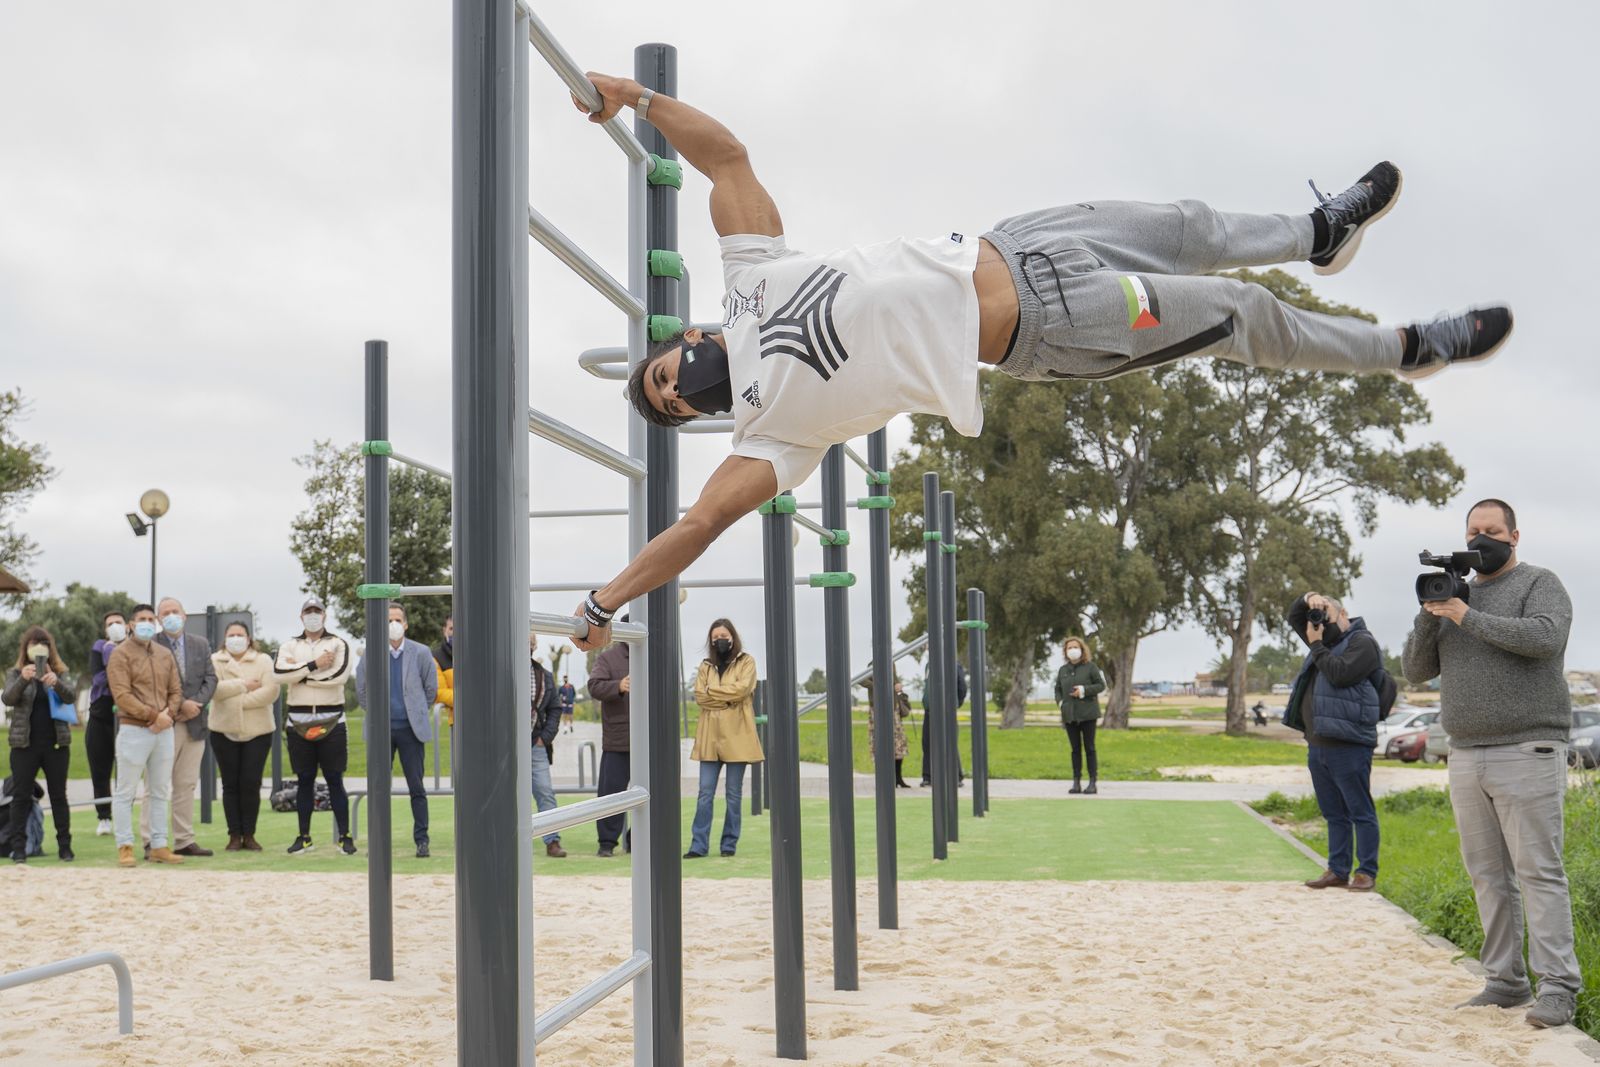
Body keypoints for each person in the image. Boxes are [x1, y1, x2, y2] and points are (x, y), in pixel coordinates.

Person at [567, 77, 1514, 654]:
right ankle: (1405, 350)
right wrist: (604, 598)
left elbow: (727, 158)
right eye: (669, 401)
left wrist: (638, 100)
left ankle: (1317, 231)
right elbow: (699, 525)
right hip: (1055, 325)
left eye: (663, 371)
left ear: (684, 337)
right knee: (1241, 314)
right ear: (695, 415)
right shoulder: (769, 435)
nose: (674, 384)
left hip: (1022, 241)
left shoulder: (747, 277)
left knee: (1193, 226)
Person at [1402, 498, 1581, 1029]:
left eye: (1492, 531)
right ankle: (1505, 981)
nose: (1481, 540)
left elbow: (1545, 638)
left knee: (1538, 872)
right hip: (1465, 752)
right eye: (1473, 531)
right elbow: (1414, 670)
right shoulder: (1454, 594)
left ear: (1514, 536)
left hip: (1528, 747)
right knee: (1487, 875)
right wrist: (1432, 612)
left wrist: (1468, 616)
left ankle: (1558, 988)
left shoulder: (1539, 583)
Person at [1284, 594, 1384, 893]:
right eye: (1318, 617)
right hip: (1318, 741)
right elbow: (1294, 617)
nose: (1321, 623)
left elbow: (1340, 674)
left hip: (1349, 742)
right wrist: (1308, 600)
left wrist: (1316, 645)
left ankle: (1365, 872)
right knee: (1333, 812)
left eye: (1326, 615)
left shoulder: (1362, 642)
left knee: (1359, 810)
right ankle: (1338, 870)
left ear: (1343, 614)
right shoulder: (1323, 641)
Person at [274, 596, 355, 856]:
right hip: (297, 720)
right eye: (308, 611)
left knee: (334, 779)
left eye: (316, 611)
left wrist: (301, 677)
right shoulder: (289, 644)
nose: (312, 615)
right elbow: (279, 674)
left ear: (324, 615)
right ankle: (304, 837)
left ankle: (345, 836)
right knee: (304, 780)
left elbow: (338, 676)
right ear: (301, 617)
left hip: (332, 719)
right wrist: (314, 665)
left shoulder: (338, 643)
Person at [356, 603, 438, 858]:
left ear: (405, 624)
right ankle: (378, 841)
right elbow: (362, 689)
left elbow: (431, 689)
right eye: (388, 620)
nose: (393, 624)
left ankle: (422, 840)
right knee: (379, 788)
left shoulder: (421, 652)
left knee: (417, 787)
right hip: (381, 731)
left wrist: (416, 711)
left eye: (397, 619)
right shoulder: (371, 653)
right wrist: (378, 715)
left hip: (411, 731)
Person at [106, 605, 184, 867]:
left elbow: (176, 690)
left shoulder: (164, 654)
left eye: (151, 619)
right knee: (126, 791)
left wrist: (167, 715)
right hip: (134, 729)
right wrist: (153, 716)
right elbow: (122, 695)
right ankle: (125, 846)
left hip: (164, 730)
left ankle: (159, 845)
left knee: (160, 790)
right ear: (131, 624)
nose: (147, 623)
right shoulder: (120, 654)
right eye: (142, 619)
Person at [143, 596, 218, 858]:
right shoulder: (151, 645)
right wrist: (180, 706)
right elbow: (151, 683)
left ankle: (184, 840)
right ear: (158, 619)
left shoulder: (200, 644)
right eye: (165, 613)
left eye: (175, 611)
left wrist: (196, 703)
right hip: (164, 723)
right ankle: (150, 841)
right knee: (156, 784)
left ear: (185, 615)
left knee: (186, 784)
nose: (171, 616)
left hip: (195, 724)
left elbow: (211, 678)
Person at [687, 619, 763, 859]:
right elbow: (700, 696)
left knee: (733, 794)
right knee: (704, 793)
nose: (719, 640)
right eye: (715, 636)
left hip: (737, 736)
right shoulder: (705, 666)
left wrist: (712, 692)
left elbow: (743, 689)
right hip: (710, 737)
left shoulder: (746, 661)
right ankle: (698, 845)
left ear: (732, 637)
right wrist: (728, 700)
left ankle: (729, 844)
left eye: (723, 636)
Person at [4, 626, 78, 863]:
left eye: (43, 643)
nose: (38, 647)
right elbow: (8, 698)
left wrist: (56, 683)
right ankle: (19, 848)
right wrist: (24, 679)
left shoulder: (60, 672)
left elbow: (71, 696)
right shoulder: (16, 673)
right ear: (25, 648)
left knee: (59, 796)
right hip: (24, 745)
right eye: (33, 643)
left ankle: (65, 846)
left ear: (49, 648)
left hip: (56, 744)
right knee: (20, 796)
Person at [209, 620, 278, 852]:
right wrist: (244, 685)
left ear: (249, 639)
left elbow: (270, 691)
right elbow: (215, 690)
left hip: (258, 732)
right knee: (230, 784)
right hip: (223, 731)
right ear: (225, 638)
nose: (236, 639)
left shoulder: (263, 660)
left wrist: (235, 701)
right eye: (231, 635)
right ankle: (234, 835)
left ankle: (249, 834)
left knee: (251, 783)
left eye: (240, 635)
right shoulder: (214, 660)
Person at [587, 625, 631, 857]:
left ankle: (637, 839)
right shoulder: (608, 658)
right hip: (618, 740)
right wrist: (618, 686)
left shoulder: (653, 655)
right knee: (611, 794)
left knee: (655, 794)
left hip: (649, 742)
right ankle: (607, 843)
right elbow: (594, 686)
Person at [85, 610, 127, 835]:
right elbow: (99, 678)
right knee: (100, 771)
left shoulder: (135, 647)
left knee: (125, 772)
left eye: (118, 622)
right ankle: (104, 817)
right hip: (100, 716)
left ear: (127, 626)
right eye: (110, 623)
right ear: (105, 629)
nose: (115, 626)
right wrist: (112, 653)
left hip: (127, 716)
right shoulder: (99, 647)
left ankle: (123, 817)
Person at [1054, 637, 1106, 795]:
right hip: (1070, 715)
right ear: (1065, 652)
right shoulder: (1063, 670)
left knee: (1089, 748)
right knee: (1075, 749)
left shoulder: (1090, 667)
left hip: (1088, 714)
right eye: (1069, 648)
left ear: (1082, 650)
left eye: (1075, 647)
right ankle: (1076, 782)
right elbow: (1058, 689)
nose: (1072, 650)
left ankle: (1092, 782)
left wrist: (1084, 690)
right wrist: (1061, 703)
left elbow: (1101, 685)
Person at [529, 642, 566, 859]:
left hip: (536, 743)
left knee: (545, 791)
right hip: (505, 746)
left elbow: (555, 708)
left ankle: (552, 840)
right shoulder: (500, 671)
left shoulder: (544, 676)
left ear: (533, 646)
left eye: (529, 642)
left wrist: (545, 738)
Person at [919, 663, 967, 788]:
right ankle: (928, 776)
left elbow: (962, 687)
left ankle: (955, 776)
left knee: (949, 742)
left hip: (947, 709)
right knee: (927, 743)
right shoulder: (929, 665)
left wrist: (955, 703)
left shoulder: (954, 665)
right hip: (930, 710)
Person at [860, 674, 912, 789]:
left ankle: (898, 778)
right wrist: (880, 686)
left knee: (898, 747)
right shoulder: (872, 666)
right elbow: (862, 680)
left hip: (894, 710)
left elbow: (896, 685)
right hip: (879, 710)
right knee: (881, 746)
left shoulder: (892, 666)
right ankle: (886, 778)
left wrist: (898, 688)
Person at [432, 615, 455, 729]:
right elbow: (439, 692)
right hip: (457, 721)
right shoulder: (436, 657)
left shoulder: (479, 653)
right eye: (451, 628)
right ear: (444, 630)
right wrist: (469, 698)